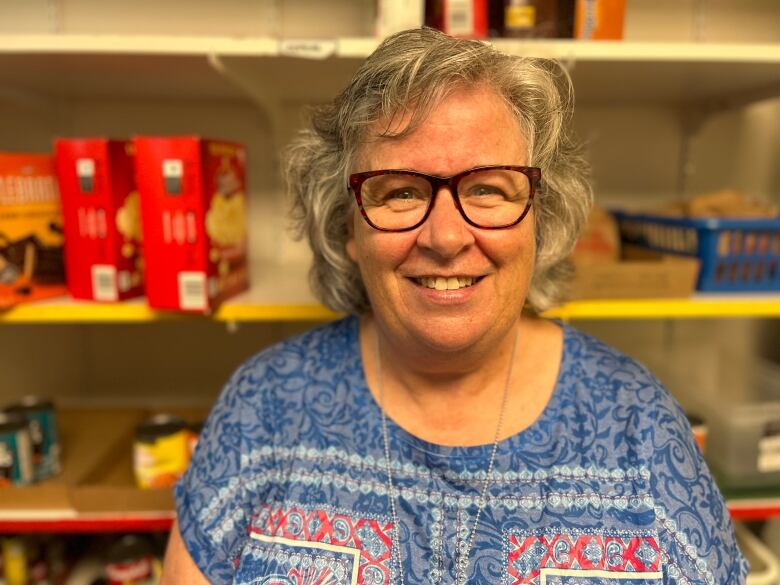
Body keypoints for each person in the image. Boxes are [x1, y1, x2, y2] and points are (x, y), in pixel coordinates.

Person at [162, 28, 747, 584]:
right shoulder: (263, 408)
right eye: (400, 191)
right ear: (347, 226)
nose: (445, 237)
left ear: (539, 220)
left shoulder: (641, 430)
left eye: (488, 188)